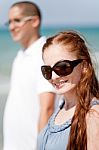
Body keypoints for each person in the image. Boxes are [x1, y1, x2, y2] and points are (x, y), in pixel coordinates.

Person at [3, 1, 58, 150]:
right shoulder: (20, 55)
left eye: (17, 20)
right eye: (9, 22)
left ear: (34, 21)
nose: (12, 27)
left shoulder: (44, 54)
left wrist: (41, 147)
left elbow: (47, 107)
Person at [37, 30, 99, 150]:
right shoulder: (61, 106)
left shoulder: (93, 115)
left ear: (84, 66)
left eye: (62, 67)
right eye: (47, 71)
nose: (54, 77)